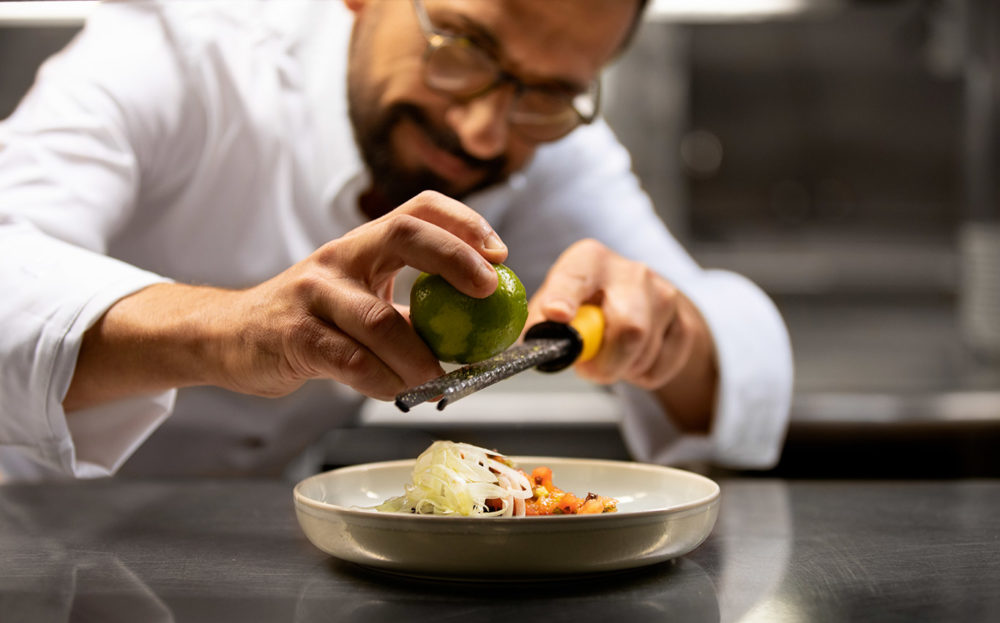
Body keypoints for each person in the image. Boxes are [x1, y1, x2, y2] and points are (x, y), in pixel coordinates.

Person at [0, 0, 792, 481]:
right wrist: (234, 329)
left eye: (550, 91)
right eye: (465, 46)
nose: (483, 132)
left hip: (270, 569)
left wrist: (672, 335)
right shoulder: (183, 47)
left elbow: (722, 345)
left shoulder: (546, 145)